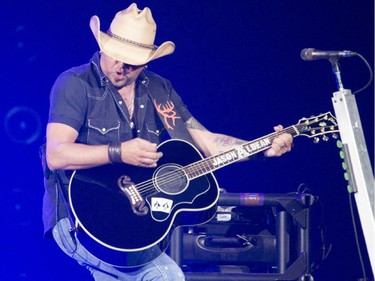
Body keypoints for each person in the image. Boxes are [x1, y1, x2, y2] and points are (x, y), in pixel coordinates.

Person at [41, 2, 293, 281]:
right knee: (166, 276)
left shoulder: (159, 89)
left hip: (136, 226)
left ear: (147, 62)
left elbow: (206, 142)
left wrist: (262, 148)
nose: (120, 67)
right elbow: (57, 154)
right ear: (104, 45)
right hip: (80, 217)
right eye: (115, 56)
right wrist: (119, 152)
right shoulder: (75, 83)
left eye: (132, 63)